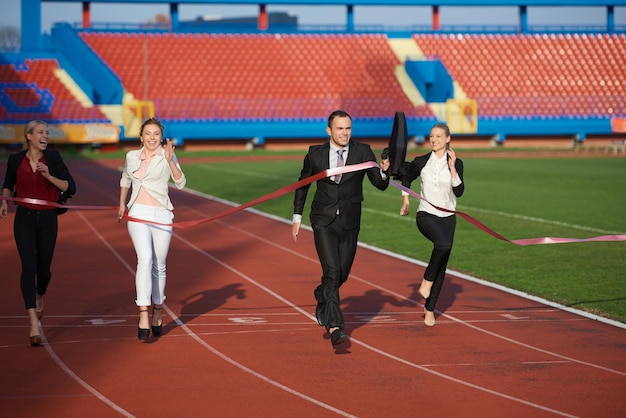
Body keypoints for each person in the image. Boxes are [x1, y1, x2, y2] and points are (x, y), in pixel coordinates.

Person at [292, 110, 390, 346]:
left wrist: (385, 171)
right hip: (323, 220)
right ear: (329, 131)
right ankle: (335, 326)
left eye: (348, 128)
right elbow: (302, 185)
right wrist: (297, 217)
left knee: (341, 274)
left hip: (350, 221)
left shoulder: (363, 151)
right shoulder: (315, 154)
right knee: (332, 271)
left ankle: (321, 294)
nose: (345, 133)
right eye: (340, 128)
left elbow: (379, 184)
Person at [1, 120, 76, 347]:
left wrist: (48, 176)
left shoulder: (53, 159)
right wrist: (5, 200)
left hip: (47, 219)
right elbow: (8, 183)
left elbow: (69, 187)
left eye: (47, 133)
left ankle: (40, 293)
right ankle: (33, 320)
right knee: (28, 268)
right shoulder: (15, 160)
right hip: (24, 219)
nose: (46, 136)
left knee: (43, 271)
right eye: (41, 132)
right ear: (29, 137)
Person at [118, 117, 186, 340]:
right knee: (145, 259)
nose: (152, 138)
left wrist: (170, 161)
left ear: (161, 137)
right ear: (141, 137)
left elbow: (181, 182)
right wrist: (122, 204)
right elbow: (126, 179)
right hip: (138, 213)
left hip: (162, 214)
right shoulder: (131, 156)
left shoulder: (167, 155)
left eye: (156, 134)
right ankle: (143, 312)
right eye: (148, 133)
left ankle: (158, 308)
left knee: (160, 265)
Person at [398, 123, 464, 327]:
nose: (434, 139)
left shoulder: (457, 162)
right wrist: (406, 200)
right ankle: (426, 280)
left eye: (438, 136)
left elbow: (460, 192)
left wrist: (452, 168)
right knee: (443, 246)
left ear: (448, 139)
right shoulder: (421, 161)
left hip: (448, 217)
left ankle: (429, 309)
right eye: (431, 136)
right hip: (426, 215)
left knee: (442, 264)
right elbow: (405, 176)